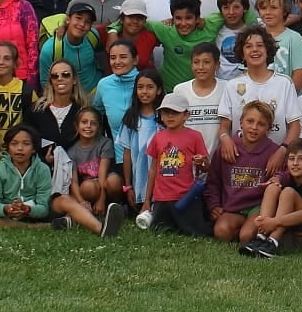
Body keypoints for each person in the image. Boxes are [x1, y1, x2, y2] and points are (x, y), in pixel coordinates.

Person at [217, 26, 302, 162]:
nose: (254, 50)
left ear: (268, 50)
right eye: (248, 46)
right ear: (242, 53)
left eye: (260, 45)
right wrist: (225, 139)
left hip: (275, 160)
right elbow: (224, 126)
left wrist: (283, 150)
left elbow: (295, 125)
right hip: (241, 160)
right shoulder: (232, 85)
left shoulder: (284, 83)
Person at [206, 100, 281, 242]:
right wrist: (214, 205)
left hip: (256, 207)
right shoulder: (227, 149)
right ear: (241, 122)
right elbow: (213, 181)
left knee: (246, 236)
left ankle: (248, 231)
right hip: (233, 207)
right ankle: (242, 229)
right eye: (250, 121)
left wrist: (278, 178)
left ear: (269, 128)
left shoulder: (273, 151)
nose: (254, 127)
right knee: (221, 231)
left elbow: (283, 173)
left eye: (261, 124)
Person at [141, 90, 212, 236]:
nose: (170, 116)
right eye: (166, 112)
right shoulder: (158, 137)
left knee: (196, 232)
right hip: (162, 197)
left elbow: (206, 168)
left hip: (186, 196)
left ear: (186, 115)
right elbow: (153, 169)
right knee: (159, 231)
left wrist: (201, 161)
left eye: (175, 112)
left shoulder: (195, 136)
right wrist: (147, 200)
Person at [239, 140, 302, 257]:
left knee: (288, 192)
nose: (295, 163)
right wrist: (276, 179)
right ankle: (261, 237)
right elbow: (279, 177)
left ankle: (272, 242)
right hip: (288, 225)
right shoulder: (288, 176)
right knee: (273, 187)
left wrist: (273, 222)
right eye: (291, 159)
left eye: (301, 159)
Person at [66, 107, 126, 223]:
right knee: (87, 186)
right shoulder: (72, 151)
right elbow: (73, 181)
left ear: (99, 127)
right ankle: (91, 209)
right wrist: (82, 203)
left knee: (114, 181)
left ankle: (116, 206)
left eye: (93, 123)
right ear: (76, 126)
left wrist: (102, 200)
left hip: (106, 184)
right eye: (84, 122)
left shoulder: (105, 143)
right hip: (91, 188)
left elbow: (102, 174)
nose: (88, 126)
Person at [116, 69, 164, 211]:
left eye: (150, 87)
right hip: (138, 179)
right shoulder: (131, 117)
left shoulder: (164, 117)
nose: (144, 91)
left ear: (159, 90)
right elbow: (126, 152)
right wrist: (128, 186)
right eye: (140, 87)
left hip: (161, 180)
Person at [28, 59, 88, 167]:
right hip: (42, 172)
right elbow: (28, 141)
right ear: (51, 81)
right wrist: (44, 160)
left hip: (76, 171)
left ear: (74, 80)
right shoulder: (37, 110)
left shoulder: (83, 110)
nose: (60, 79)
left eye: (65, 75)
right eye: (55, 76)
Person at [38, 0, 105, 93]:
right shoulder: (50, 49)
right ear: (68, 20)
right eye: (78, 18)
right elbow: (45, 82)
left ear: (91, 26)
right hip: (67, 98)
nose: (82, 24)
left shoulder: (93, 36)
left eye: (87, 21)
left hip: (94, 94)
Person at [173, 42, 227, 150]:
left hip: (219, 159)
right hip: (186, 158)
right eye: (196, 62)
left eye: (206, 62)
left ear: (217, 65)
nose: (200, 67)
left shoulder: (227, 88)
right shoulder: (180, 90)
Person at [0, 41, 36, 136]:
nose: (1, 62)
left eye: (7, 58)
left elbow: (34, 125)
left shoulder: (27, 92)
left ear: (15, 63)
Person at [93, 40, 140, 131]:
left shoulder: (148, 82)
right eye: (113, 58)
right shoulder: (104, 84)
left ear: (135, 60)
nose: (117, 62)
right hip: (117, 145)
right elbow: (96, 113)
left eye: (123, 57)